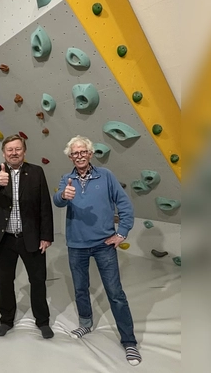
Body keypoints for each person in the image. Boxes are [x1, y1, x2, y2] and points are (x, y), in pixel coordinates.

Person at [53, 135, 141, 366]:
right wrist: (63, 195)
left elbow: (124, 204)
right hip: (76, 244)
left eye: (83, 152)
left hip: (104, 244)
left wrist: (121, 232)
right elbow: (58, 201)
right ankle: (85, 323)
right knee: (80, 288)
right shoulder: (67, 178)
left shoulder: (107, 176)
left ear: (90, 154)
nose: (79, 156)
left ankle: (129, 341)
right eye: (75, 153)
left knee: (115, 293)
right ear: (70, 157)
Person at [0, 134, 54, 339]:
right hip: (5, 239)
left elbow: (45, 206)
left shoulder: (36, 172)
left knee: (38, 280)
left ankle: (43, 321)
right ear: (3, 153)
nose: (14, 153)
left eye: (18, 149)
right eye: (9, 149)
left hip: (30, 237)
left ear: (24, 151)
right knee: (5, 281)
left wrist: (46, 236)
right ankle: (6, 320)